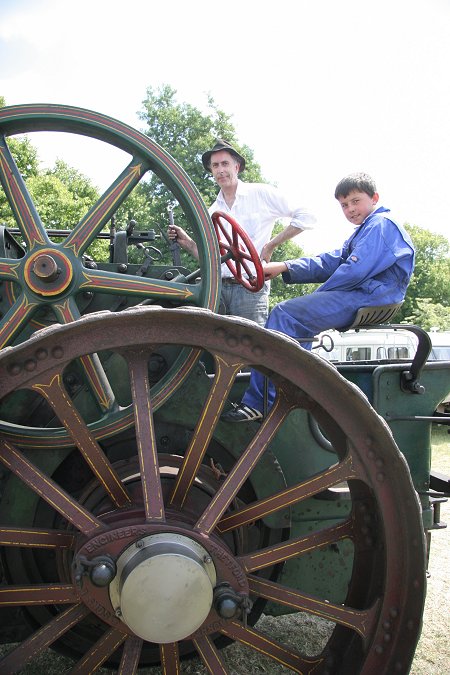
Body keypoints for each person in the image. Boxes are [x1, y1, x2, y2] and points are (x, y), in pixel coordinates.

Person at [221, 171, 415, 422]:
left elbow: (354, 270)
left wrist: (316, 297)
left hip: (369, 295)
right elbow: (332, 261)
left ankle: (262, 402)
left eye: (356, 201)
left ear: (374, 198)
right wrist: (286, 267)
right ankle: (292, 383)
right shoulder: (366, 230)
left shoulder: (381, 225)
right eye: (344, 205)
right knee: (292, 314)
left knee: (287, 314)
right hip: (367, 293)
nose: (350, 209)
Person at [168, 139, 315, 326]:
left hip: (250, 289)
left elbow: (306, 216)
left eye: (225, 164)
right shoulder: (211, 212)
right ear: (211, 171)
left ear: (236, 167)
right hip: (218, 291)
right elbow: (213, 259)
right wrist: (187, 242)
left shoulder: (260, 194)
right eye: (215, 166)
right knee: (215, 349)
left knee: (250, 349)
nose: (220, 170)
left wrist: (271, 245)